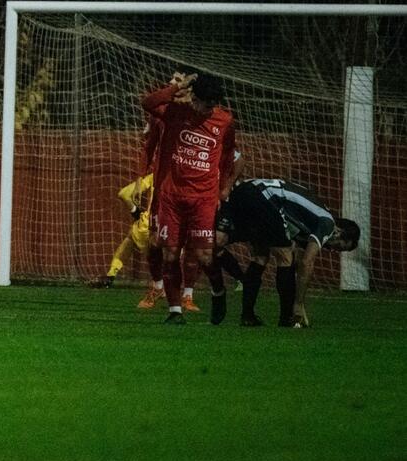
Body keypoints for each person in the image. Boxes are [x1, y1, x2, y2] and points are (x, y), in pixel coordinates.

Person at [141, 71, 237, 325]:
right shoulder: (175, 112)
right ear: (194, 98)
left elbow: (229, 155)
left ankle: (218, 291)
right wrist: (178, 87)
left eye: (212, 105)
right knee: (170, 254)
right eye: (204, 104)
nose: (208, 110)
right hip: (171, 196)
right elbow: (147, 103)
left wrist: (224, 188)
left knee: (205, 256)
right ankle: (175, 311)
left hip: (203, 198)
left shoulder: (225, 121)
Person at [212, 178, 360, 327]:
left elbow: (299, 258)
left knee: (260, 255)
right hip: (264, 197)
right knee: (285, 257)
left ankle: (247, 316)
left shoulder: (311, 218)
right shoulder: (328, 224)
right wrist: (299, 304)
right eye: (339, 246)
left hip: (244, 191)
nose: (333, 249)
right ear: (339, 231)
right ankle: (287, 318)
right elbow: (306, 262)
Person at [88, 173, 165, 308]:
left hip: (148, 225)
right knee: (173, 257)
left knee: (134, 241)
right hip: (171, 225)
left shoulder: (154, 176)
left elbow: (123, 193)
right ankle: (183, 294)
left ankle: (111, 275)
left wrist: (136, 212)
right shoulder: (183, 179)